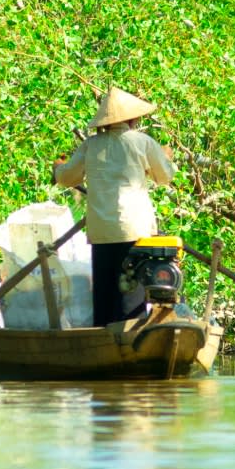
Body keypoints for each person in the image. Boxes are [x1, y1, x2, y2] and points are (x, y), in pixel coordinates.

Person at [52, 87, 176, 326]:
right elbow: (164, 177)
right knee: (131, 291)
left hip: (102, 231)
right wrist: (166, 158)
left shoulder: (92, 145)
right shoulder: (143, 142)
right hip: (135, 230)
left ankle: (103, 337)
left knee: (105, 293)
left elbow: (68, 178)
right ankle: (130, 339)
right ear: (132, 119)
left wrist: (58, 168)